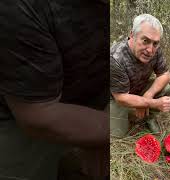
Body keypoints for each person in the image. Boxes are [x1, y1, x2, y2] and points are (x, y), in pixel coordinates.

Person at [0, 0, 107, 180]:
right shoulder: (19, 6)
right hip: (20, 111)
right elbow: (37, 116)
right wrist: (108, 132)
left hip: (87, 91)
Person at [110, 14, 170, 137]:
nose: (150, 50)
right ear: (132, 35)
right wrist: (152, 103)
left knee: (166, 87)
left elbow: (165, 74)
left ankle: (148, 117)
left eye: (155, 43)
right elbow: (121, 97)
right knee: (118, 135)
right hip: (115, 97)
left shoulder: (154, 49)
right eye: (145, 41)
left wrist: (147, 96)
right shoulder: (115, 58)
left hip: (137, 90)